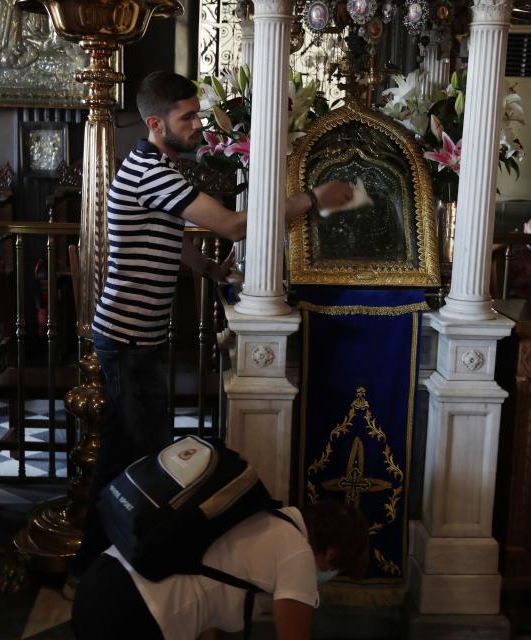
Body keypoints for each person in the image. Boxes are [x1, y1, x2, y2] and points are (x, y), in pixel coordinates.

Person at [69, 71, 354, 580]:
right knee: (145, 465)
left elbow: (166, 229)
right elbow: (234, 224)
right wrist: (313, 199)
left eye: (197, 113)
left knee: (122, 459)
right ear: (156, 123)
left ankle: (94, 568)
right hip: (130, 341)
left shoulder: (153, 166)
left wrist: (204, 267)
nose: (199, 124)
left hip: (135, 338)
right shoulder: (151, 172)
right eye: (188, 117)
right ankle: (125, 573)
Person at [71, 499, 370, 640]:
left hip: (101, 581)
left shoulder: (269, 514)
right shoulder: (299, 557)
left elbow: (206, 597)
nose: (323, 580)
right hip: (134, 615)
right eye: (332, 572)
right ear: (332, 554)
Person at [492, 205, 531, 299]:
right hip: (515, 301)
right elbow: (483, 252)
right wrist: (507, 239)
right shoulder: (513, 248)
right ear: (525, 227)